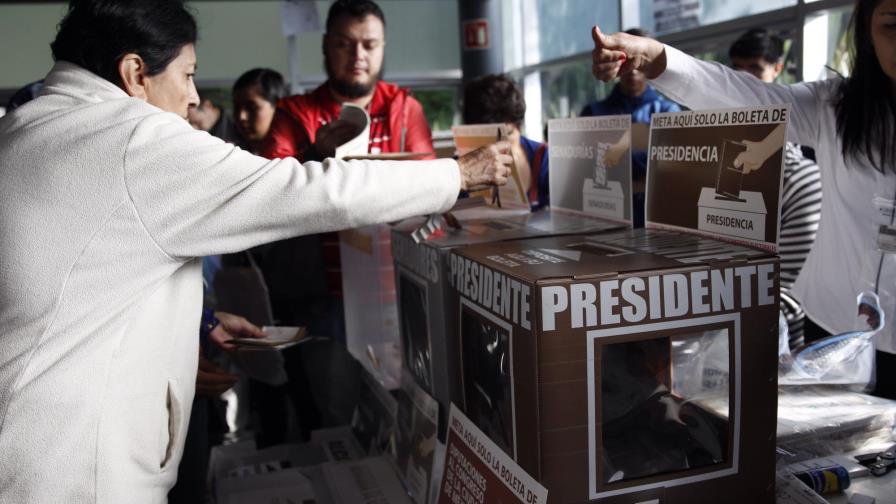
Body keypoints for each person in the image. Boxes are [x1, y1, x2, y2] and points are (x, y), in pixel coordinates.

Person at [0, 1, 511, 501]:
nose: (192, 98)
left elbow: (91, 278)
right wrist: (459, 173)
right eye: (188, 75)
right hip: (71, 472)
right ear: (135, 73)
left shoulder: (25, 129)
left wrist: (196, 327)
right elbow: (304, 189)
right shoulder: (135, 139)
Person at [590, 0, 896, 398]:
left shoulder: (799, 179)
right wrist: (656, 59)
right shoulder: (836, 108)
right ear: (868, 36)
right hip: (834, 329)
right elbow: (746, 98)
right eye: (892, 25)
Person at [728, 28, 823, 348]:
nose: (742, 83)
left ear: (777, 69)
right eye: (735, 70)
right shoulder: (713, 167)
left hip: (774, 346)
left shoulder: (800, 180)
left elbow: (791, 292)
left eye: (754, 69)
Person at [263, 0, 434, 161]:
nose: (358, 56)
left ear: (382, 48)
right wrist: (315, 154)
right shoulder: (293, 113)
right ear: (325, 45)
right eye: (344, 44)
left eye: (370, 45)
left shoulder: (406, 109)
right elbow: (272, 184)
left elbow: (429, 179)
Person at [581, 28, 681, 227]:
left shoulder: (668, 111)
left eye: (641, 63)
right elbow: (583, 165)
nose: (633, 72)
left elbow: (674, 166)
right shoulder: (593, 112)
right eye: (628, 62)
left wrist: (617, 155)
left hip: (657, 213)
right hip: (604, 211)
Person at [462, 74, 550, 210]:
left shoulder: (544, 158)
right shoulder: (461, 169)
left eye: (508, 133)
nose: (497, 146)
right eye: (489, 138)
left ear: (519, 127)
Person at [232, 68, 290, 154]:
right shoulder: (232, 153)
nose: (241, 116)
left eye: (252, 108)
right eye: (236, 107)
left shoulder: (301, 158)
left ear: (278, 106)